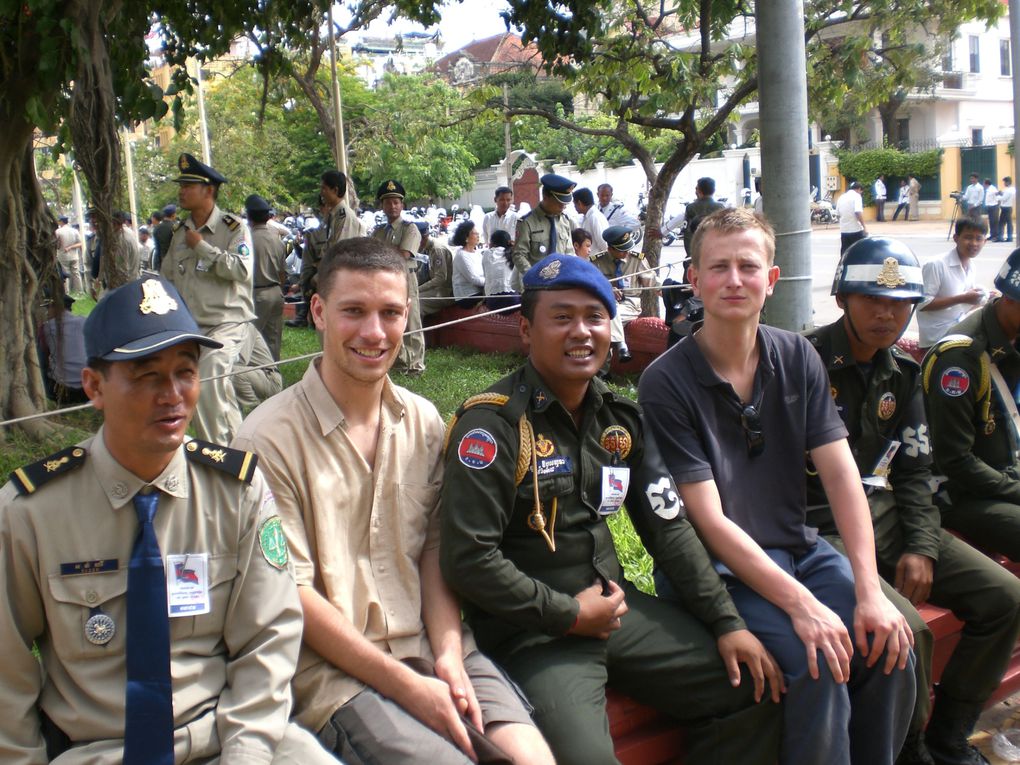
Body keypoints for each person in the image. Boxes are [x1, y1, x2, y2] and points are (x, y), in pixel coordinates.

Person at [440, 252, 783, 765]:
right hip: (537, 636)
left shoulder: (618, 419)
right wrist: (570, 614)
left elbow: (669, 529)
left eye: (595, 317)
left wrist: (726, 622)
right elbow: (469, 560)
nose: (581, 332)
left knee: (751, 686)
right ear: (525, 329)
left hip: (619, 616)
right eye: (561, 317)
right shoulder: (491, 429)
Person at [232, 239, 554, 765]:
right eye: (353, 311)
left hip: (433, 642)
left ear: (409, 315)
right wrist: (409, 688)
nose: (374, 333)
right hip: (336, 676)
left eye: (390, 313)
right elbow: (294, 596)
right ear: (318, 311)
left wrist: (449, 654)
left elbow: (433, 549)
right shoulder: (267, 439)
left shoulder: (423, 419)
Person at [0, 275, 335, 765]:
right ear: (94, 386)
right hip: (101, 751)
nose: (173, 394)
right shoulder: (30, 512)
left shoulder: (235, 491)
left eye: (186, 372)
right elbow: (5, 677)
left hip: (226, 739)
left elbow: (268, 638)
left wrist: (245, 754)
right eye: (146, 375)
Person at [638, 208, 915, 765]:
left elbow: (841, 477)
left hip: (799, 549)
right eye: (718, 267)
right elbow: (709, 521)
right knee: (819, 660)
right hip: (723, 573)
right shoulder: (665, 381)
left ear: (772, 278)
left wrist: (867, 590)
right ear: (694, 279)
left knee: (893, 641)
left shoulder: (797, 356)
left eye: (748, 266)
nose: (733, 280)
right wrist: (804, 606)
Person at [808, 237, 1020, 765]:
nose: (887, 314)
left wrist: (922, 547)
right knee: (909, 630)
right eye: (872, 301)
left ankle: (949, 736)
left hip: (889, 518)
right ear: (841, 299)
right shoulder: (802, 363)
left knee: (1005, 598)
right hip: (820, 530)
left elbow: (916, 472)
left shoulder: (900, 374)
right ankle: (908, 751)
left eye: (901, 302)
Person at [922, 247, 1020, 562]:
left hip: (1006, 471)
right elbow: (955, 460)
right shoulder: (960, 358)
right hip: (963, 492)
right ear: (1009, 300)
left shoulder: (1012, 334)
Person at [160, 152, 256, 444]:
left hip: (228, 323)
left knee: (209, 376)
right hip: (193, 328)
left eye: (189, 185)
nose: (182, 191)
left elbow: (242, 270)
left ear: (209, 191)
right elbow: (167, 278)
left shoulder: (233, 228)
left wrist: (203, 248)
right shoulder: (180, 232)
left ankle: (214, 452)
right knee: (215, 390)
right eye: (182, 185)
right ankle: (240, 451)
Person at [373, 179, 425, 375]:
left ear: (402, 205)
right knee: (391, 320)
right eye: (388, 202)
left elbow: (403, 255)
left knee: (411, 321)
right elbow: (372, 255)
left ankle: (416, 364)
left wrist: (385, 251)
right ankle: (400, 361)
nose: (392, 206)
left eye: (396, 202)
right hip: (385, 282)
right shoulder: (379, 231)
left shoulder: (410, 228)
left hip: (405, 279)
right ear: (382, 206)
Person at [916, 218, 988, 350]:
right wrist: (963, 298)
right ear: (956, 238)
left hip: (958, 330)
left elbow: (961, 308)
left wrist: (980, 299)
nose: (973, 243)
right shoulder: (936, 264)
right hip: (936, 338)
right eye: (968, 237)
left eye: (979, 239)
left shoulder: (971, 266)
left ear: (985, 241)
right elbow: (922, 304)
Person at [592, 224, 657, 363]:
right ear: (610, 249)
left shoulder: (637, 260)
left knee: (607, 315)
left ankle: (619, 348)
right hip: (605, 304)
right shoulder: (597, 262)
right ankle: (618, 348)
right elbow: (589, 285)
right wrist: (606, 289)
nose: (627, 253)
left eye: (628, 249)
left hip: (630, 303)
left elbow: (653, 283)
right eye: (622, 251)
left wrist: (671, 289)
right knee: (605, 317)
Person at [246, 194, 288, 361]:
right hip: (276, 291)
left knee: (249, 340)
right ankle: (272, 376)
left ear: (249, 216)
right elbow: (282, 273)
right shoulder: (277, 239)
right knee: (273, 340)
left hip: (258, 293)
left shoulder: (247, 239)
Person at [512, 173, 575, 276]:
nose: (563, 206)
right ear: (546, 197)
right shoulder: (527, 222)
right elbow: (519, 254)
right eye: (559, 203)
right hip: (536, 283)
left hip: (561, 281)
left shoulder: (564, 220)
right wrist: (533, 276)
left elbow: (569, 252)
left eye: (565, 203)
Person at [37, 293, 88, 404]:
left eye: (48, 308)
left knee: (38, 365)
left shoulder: (47, 328)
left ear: (55, 308)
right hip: (89, 388)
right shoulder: (84, 321)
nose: (47, 312)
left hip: (63, 391)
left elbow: (43, 360)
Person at [415, 220, 455, 317]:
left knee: (416, 303)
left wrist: (417, 289)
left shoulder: (437, 250)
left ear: (423, 238)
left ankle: (417, 332)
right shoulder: (425, 248)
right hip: (436, 288)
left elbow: (440, 278)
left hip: (446, 291)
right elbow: (420, 271)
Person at [321, 169, 365, 249]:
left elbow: (341, 251)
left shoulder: (345, 216)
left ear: (335, 190)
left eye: (324, 189)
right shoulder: (334, 214)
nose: (321, 193)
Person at [683, 177, 726, 252]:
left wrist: (689, 255)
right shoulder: (720, 207)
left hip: (697, 250)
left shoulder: (690, 208)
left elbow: (687, 234)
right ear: (713, 191)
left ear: (698, 190)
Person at [450, 220, 485, 309]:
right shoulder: (461, 255)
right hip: (467, 296)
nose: (478, 235)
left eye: (478, 233)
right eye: (475, 233)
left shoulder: (477, 253)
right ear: (466, 238)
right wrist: (491, 282)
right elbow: (474, 279)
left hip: (479, 291)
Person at [482, 229, 519, 311]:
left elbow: (485, 276)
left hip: (493, 303)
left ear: (492, 243)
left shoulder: (487, 253)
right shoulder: (513, 253)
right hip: (513, 300)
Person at [572, 187, 608, 255]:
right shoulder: (586, 217)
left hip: (596, 262)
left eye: (574, 204)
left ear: (579, 203)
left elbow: (604, 245)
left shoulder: (595, 217)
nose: (574, 207)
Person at [836, 181, 868, 255]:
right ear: (859, 189)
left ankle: (844, 265)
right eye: (861, 192)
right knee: (859, 252)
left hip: (844, 230)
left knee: (845, 253)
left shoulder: (842, 197)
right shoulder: (857, 196)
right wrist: (864, 227)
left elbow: (837, 214)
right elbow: (858, 212)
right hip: (855, 230)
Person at [55, 215, 84, 294]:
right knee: (76, 273)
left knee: (65, 273)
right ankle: (80, 291)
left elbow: (57, 245)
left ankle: (66, 292)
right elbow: (80, 243)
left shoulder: (58, 231)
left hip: (63, 255)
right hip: (74, 256)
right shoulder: (75, 231)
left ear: (61, 222)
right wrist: (71, 247)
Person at [152, 204, 177, 272]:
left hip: (162, 262)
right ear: (173, 215)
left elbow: (157, 249)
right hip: (174, 263)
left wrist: (157, 265)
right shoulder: (175, 228)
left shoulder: (156, 228)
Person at [984, 178, 1001, 243]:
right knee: (991, 222)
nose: (983, 185)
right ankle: (992, 235)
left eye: (984, 183)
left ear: (986, 183)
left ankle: (995, 235)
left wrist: (998, 205)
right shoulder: (988, 189)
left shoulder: (993, 189)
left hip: (994, 207)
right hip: (990, 207)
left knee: (994, 222)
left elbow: (998, 196)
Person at [999, 177, 1015, 243]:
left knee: (1001, 223)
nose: (1004, 183)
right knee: (1009, 223)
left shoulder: (1008, 190)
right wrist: (1001, 193)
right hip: (1009, 207)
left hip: (1005, 208)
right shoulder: (1012, 189)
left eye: (1005, 182)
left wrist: (998, 196)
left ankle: (1001, 237)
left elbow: (1003, 199)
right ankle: (1009, 237)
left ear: (1008, 182)